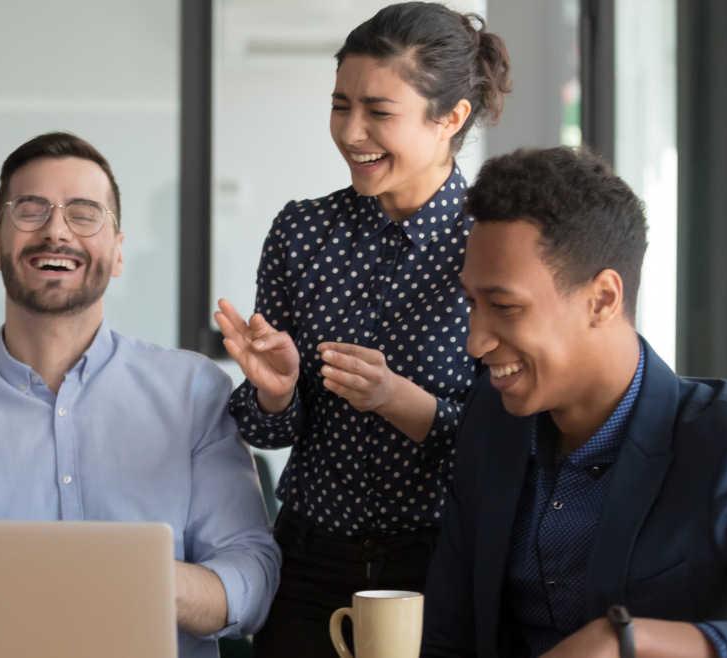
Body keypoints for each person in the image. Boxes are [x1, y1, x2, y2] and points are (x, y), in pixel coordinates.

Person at [0, 132, 281, 658]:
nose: (56, 230)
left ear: (119, 251)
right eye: (31, 210)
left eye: (84, 214)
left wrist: (126, 575)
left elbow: (252, 581)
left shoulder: (194, 392)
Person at [212, 3, 511, 654]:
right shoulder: (302, 232)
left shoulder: (495, 244)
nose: (351, 132)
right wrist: (276, 390)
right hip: (310, 558)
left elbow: (514, 446)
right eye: (340, 104)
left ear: (450, 118)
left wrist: (400, 402)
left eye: (378, 111)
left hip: (441, 561)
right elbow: (265, 432)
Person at [423, 146, 727, 657]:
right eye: (471, 303)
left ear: (602, 300)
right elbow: (447, 636)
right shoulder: (489, 419)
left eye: (504, 307)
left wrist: (627, 642)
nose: (475, 341)